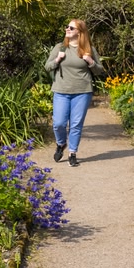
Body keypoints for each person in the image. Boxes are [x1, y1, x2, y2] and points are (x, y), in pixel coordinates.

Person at [44, 18, 104, 167]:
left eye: (71, 28)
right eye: (67, 27)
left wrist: (90, 61)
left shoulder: (88, 49)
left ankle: (72, 153)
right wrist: (57, 60)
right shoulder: (60, 47)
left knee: (76, 124)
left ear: (80, 32)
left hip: (82, 91)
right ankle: (60, 143)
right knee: (58, 123)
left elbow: (99, 70)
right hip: (61, 90)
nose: (67, 29)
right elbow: (47, 67)